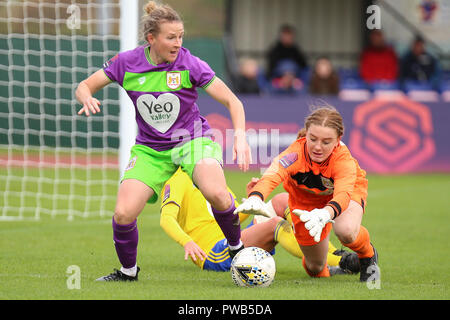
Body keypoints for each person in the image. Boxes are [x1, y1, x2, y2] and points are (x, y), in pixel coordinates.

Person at [75, 1, 252, 281]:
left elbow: (233, 100)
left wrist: (240, 137)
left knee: (217, 193)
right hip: (150, 149)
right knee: (123, 214)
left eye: (180, 36)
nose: (178, 43)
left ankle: (236, 249)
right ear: (151, 39)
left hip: (192, 140)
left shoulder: (190, 63)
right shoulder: (126, 63)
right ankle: (128, 272)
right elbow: (85, 85)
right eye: (171, 37)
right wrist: (85, 95)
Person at [235, 107, 380, 282]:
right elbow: (273, 174)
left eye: (326, 142)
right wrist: (256, 197)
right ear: (306, 135)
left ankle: (367, 254)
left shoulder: (343, 160)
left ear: (338, 140)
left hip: (342, 196)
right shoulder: (295, 153)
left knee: (346, 230)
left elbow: (342, 195)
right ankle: (331, 268)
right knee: (314, 267)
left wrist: (325, 213)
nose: (318, 147)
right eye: (313, 139)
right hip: (304, 202)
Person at [160, 168, 359, 274]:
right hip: (215, 252)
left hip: (235, 237)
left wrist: (249, 201)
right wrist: (186, 242)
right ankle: (341, 263)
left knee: (283, 201)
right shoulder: (178, 179)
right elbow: (166, 219)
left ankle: (332, 252)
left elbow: (232, 219)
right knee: (274, 226)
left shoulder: (209, 175)